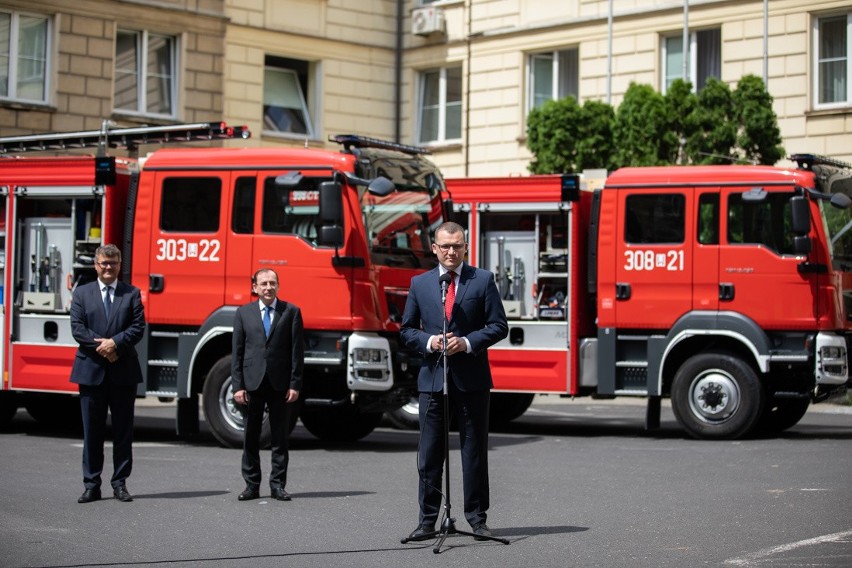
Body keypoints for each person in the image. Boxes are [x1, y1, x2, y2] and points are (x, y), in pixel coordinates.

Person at [400, 221, 508, 541]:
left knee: (473, 451)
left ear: (466, 247)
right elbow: (407, 330)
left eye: (457, 245)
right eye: (445, 246)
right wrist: (430, 342)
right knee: (430, 453)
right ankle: (427, 520)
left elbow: (498, 325)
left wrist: (468, 342)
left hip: (471, 379)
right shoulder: (420, 284)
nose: (451, 251)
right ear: (434, 248)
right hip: (432, 379)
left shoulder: (483, 280)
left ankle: (477, 518)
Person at [70, 244, 146, 504]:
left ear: (119, 264)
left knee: (123, 432)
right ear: (96, 264)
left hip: (123, 372)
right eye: (104, 263)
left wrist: (116, 344)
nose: (108, 267)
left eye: (113, 263)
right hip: (91, 372)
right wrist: (104, 347)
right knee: (92, 432)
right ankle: (92, 485)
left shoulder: (131, 294)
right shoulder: (81, 293)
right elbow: (78, 329)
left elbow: (138, 327)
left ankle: (120, 484)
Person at [232, 268, 304, 501]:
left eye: (272, 283)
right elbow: (238, 353)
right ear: (255, 287)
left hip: (280, 384)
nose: (268, 287)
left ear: (278, 286)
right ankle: (252, 485)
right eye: (263, 284)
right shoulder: (243, 313)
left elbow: (297, 352)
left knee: (279, 436)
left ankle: (277, 485)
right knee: (250, 436)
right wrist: (238, 386)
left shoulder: (291, 312)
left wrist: (295, 384)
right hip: (252, 383)